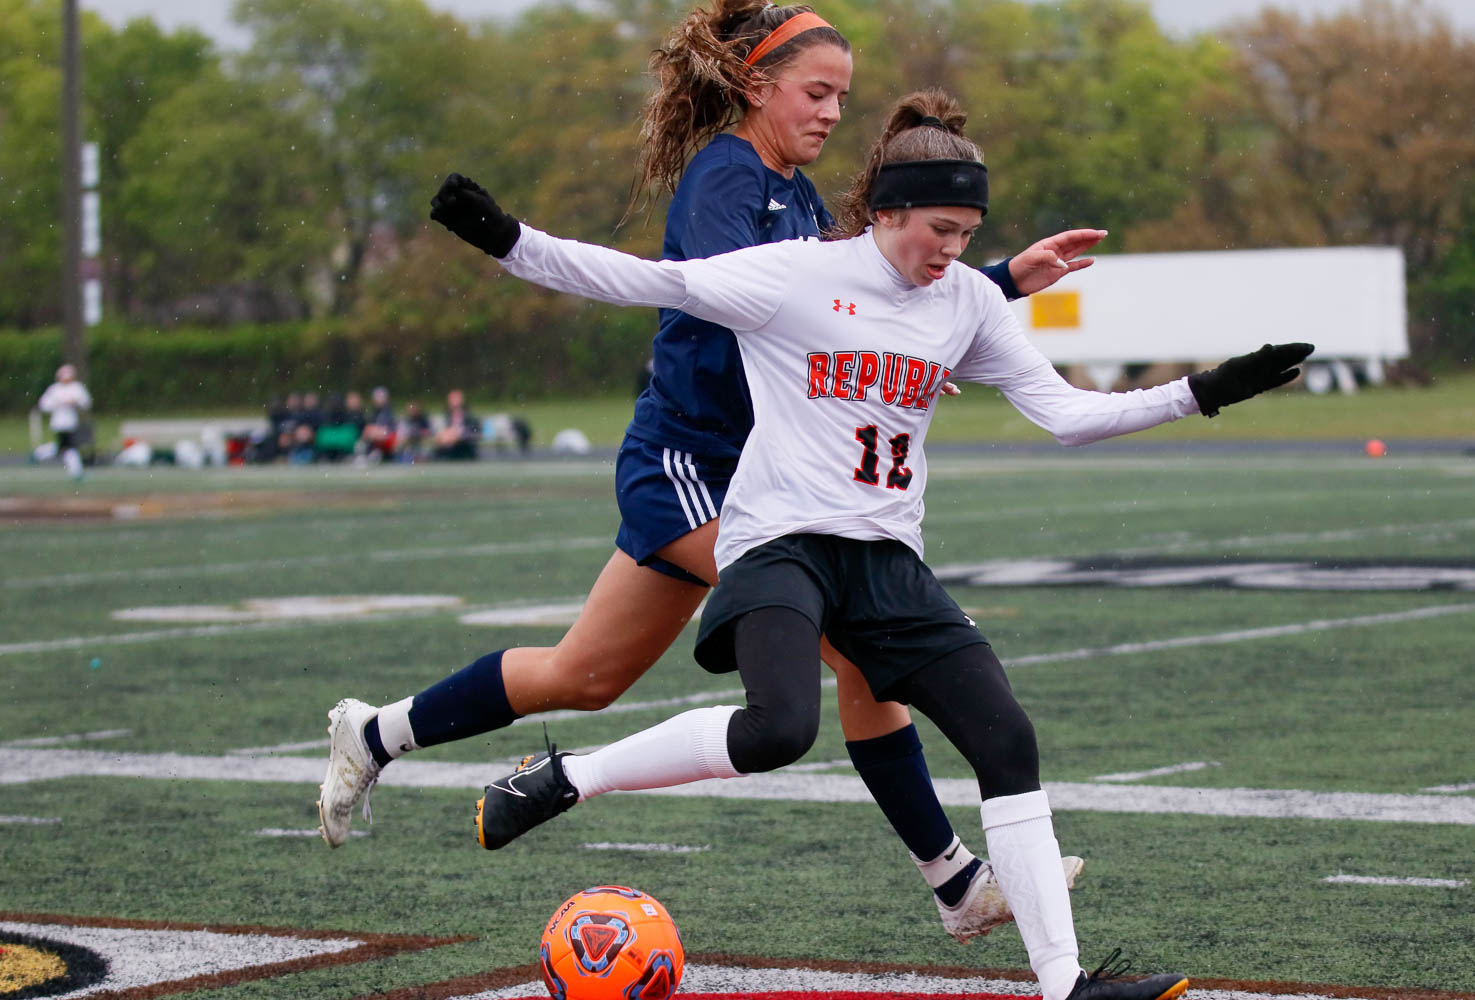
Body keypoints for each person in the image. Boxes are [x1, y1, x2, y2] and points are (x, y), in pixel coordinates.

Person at [430, 88, 1312, 1000]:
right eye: (939, 227)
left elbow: (1068, 416)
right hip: (781, 542)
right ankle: (571, 776)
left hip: (886, 558)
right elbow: (648, 281)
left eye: (968, 233)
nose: (953, 250)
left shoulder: (967, 299)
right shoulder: (797, 273)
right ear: (886, 210)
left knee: (1005, 738)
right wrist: (508, 239)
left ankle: (1065, 985)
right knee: (780, 729)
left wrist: (1204, 390)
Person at [318, 0, 1097, 944]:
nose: (828, 114)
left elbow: (871, 297)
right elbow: (769, 304)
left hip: (758, 472)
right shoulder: (728, 176)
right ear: (755, 86)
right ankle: (955, 884)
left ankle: (376, 733)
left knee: (585, 674)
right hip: (696, 463)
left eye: (842, 99)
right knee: (862, 650)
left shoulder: (799, 195)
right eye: (815, 92)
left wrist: (996, 283)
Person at [35, 364, 92, 481]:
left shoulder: (77, 388)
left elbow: (86, 402)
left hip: (71, 423)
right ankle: (77, 473)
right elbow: (44, 405)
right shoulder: (54, 389)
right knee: (69, 448)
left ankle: (38, 454)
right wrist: (58, 403)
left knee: (63, 447)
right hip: (59, 423)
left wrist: (75, 402)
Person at [433, 388, 481, 460]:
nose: (454, 402)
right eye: (452, 399)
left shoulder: (470, 417)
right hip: (446, 445)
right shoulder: (445, 417)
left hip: (464, 446)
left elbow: (475, 432)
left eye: (456, 399)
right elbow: (439, 432)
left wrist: (459, 435)